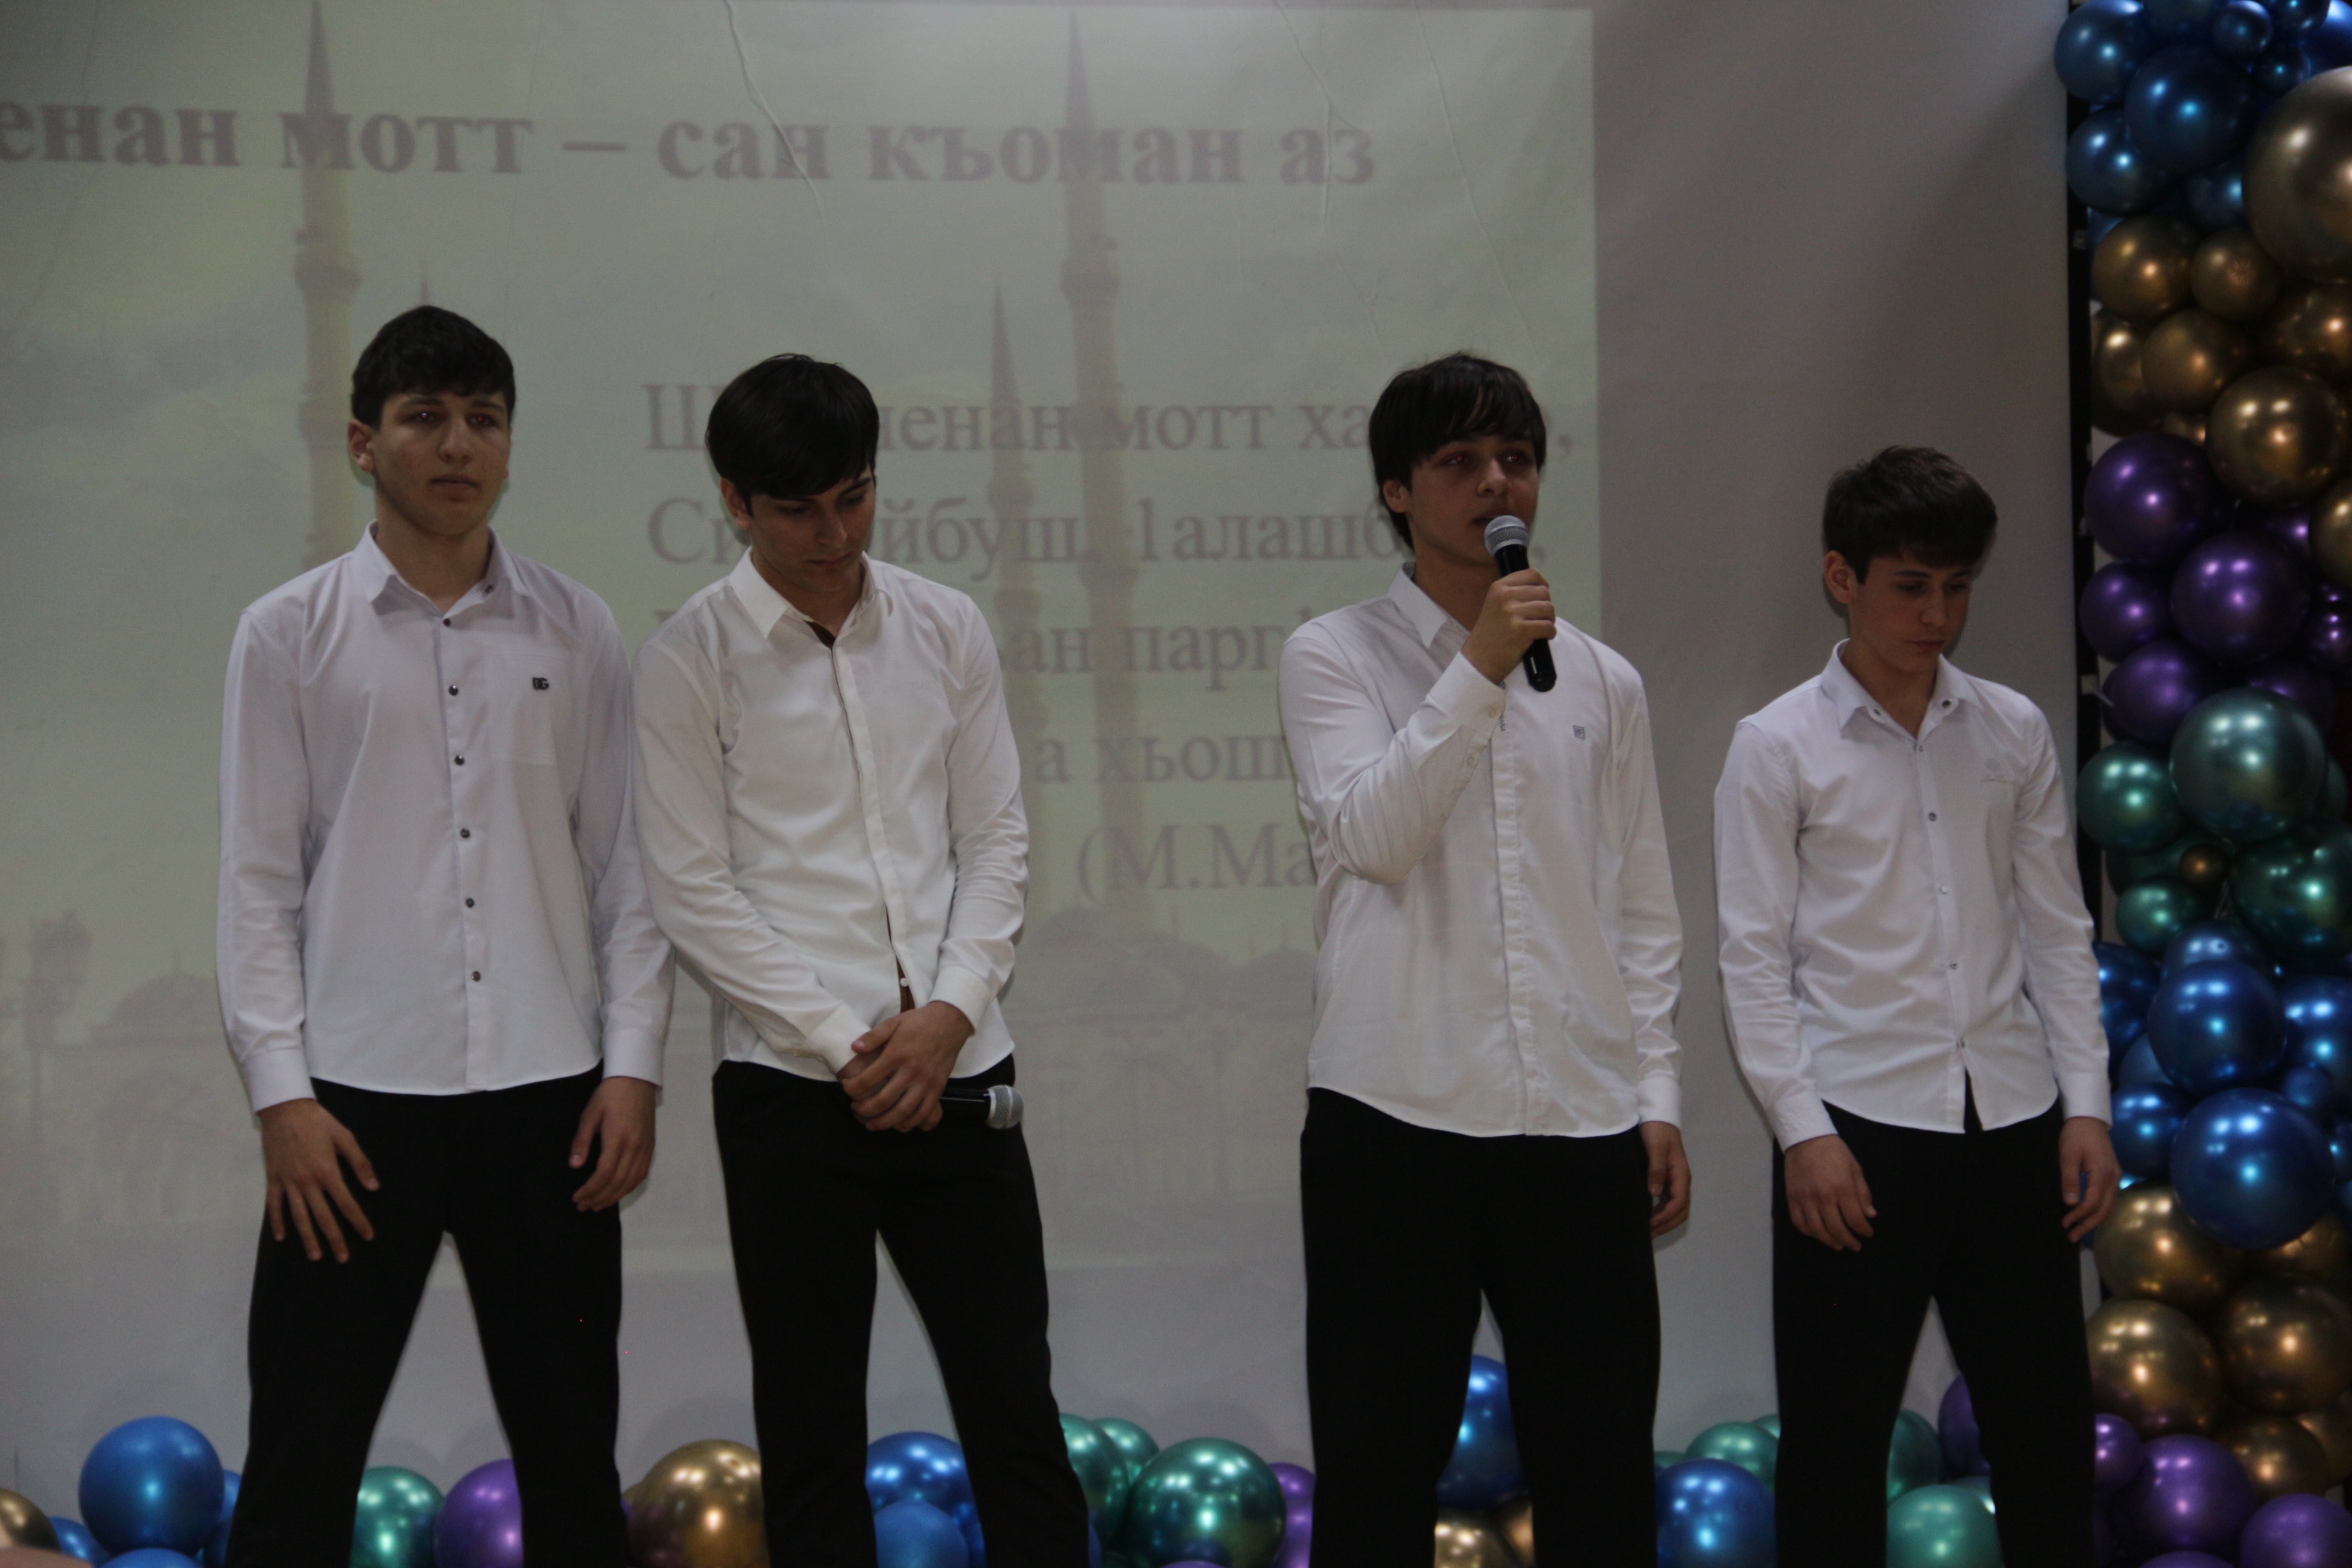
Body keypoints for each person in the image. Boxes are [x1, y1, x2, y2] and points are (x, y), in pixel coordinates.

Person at [216, 306, 673, 1568]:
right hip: (351, 1112)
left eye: (484, 418)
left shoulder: (578, 628)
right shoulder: (288, 632)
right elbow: (256, 884)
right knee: (301, 1460)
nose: (458, 444)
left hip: (551, 1100)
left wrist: (634, 1067)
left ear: (511, 443)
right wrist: (281, 1098)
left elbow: (628, 870)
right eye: (425, 417)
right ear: (363, 443)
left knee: (573, 1462)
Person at [632, 354, 1090, 1566]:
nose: (834, 534)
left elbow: (997, 841)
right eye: (798, 509)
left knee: (1015, 1413)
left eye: (855, 496)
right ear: (734, 501)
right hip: (791, 1092)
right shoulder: (688, 657)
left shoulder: (946, 625)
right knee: (813, 1433)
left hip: (962, 1070)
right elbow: (693, 893)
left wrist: (946, 1016)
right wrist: (851, 1046)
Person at [1276, 353, 1691, 1567]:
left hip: (1578, 1118)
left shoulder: (1603, 680)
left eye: (1516, 459)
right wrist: (1478, 669)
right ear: (1397, 491)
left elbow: (1640, 910)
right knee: (1376, 1475)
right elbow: (1375, 837)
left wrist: (1657, 1095)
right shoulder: (1333, 655)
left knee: (1602, 1477)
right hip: (1393, 1119)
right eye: (1459, 462)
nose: (1496, 483)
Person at [1713, 446, 2119, 1565]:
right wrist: (1803, 1132)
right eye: (1910, 586)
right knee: (1836, 1448)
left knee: (2046, 1438)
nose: (1937, 614)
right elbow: (1752, 959)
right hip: (1858, 1133)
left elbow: (2057, 930)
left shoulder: (2013, 728)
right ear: (1841, 577)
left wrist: (2086, 1105)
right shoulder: (1777, 744)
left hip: (2015, 1121)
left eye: (1957, 586)